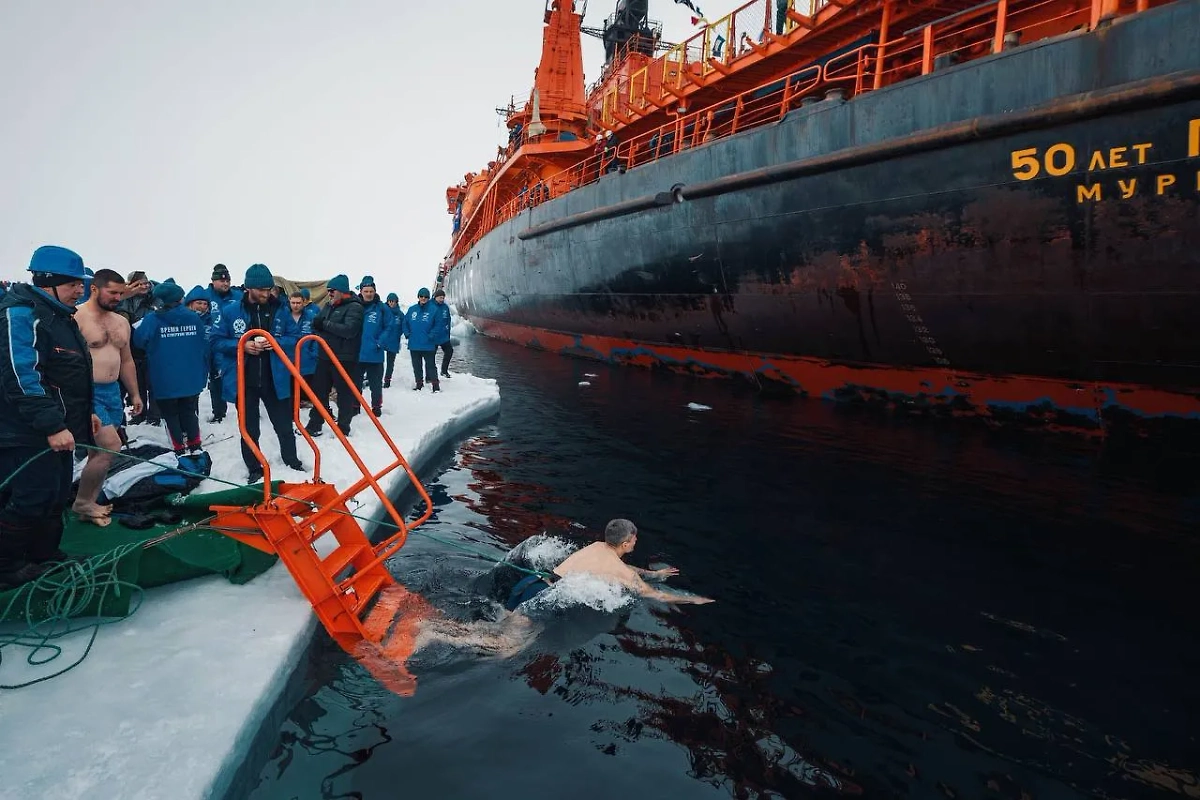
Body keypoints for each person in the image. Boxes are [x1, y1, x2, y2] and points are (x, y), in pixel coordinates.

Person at [0, 245, 98, 587]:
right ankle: (7, 566)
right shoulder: (22, 314)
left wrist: (86, 416)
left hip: (58, 429)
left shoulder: (60, 316)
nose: (80, 290)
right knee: (31, 498)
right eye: (73, 283)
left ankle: (44, 555)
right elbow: (21, 375)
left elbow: (69, 375)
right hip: (25, 431)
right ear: (48, 282)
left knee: (56, 495)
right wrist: (52, 424)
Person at [211, 264, 304, 482]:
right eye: (261, 289)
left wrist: (276, 343)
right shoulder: (231, 311)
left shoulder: (280, 310)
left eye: (268, 289)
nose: (266, 293)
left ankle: (292, 461)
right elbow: (215, 341)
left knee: (284, 424)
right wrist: (242, 346)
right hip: (245, 380)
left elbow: (295, 337)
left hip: (275, 379)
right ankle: (254, 468)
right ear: (248, 288)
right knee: (249, 428)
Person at [505, 519, 715, 610]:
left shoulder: (598, 546)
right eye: (634, 539)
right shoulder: (622, 572)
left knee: (501, 626)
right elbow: (658, 595)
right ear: (625, 543)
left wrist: (654, 575)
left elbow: (617, 568)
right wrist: (695, 600)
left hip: (533, 581)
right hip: (541, 595)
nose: (636, 541)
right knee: (506, 648)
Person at [73, 268, 142, 526]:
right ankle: (83, 502)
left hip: (113, 390)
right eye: (112, 292)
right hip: (87, 391)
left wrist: (134, 393)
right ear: (94, 288)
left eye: (120, 293)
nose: (117, 297)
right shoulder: (77, 317)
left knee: (100, 452)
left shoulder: (121, 322)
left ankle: (87, 500)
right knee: (109, 445)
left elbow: (126, 360)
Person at [132, 279, 209, 458]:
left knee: (170, 413)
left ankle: (178, 448)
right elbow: (203, 344)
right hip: (190, 374)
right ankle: (195, 444)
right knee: (189, 410)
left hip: (164, 375)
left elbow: (139, 341)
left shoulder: (152, 319)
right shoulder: (193, 317)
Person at [305, 274, 364, 437]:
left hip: (344, 358)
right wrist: (324, 327)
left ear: (342, 291)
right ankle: (315, 424)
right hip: (325, 356)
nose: (329, 293)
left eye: (332, 291)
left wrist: (325, 326)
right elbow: (316, 324)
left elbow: (349, 330)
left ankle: (343, 427)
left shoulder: (355, 307)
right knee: (318, 391)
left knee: (344, 394)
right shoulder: (329, 305)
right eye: (328, 290)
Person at [115, 270, 158, 425]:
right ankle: (139, 414)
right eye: (139, 284)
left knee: (153, 383)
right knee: (136, 384)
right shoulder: (125, 300)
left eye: (145, 282)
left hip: (153, 348)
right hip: (132, 348)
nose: (143, 286)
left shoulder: (155, 297)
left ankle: (154, 416)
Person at [204, 264, 243, 424]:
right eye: (221, 281)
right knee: (215, 379)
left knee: (241, 378)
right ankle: (219, 412)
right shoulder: (206, 296)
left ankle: (246, 409)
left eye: (227, 281)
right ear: (213, 281)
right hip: (213, 344)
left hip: (233, 343)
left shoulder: (238, 296)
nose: (225, 284)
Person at [355, 276, 389, 416]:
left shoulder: (381, 308)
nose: (369, 294)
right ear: (361, 291)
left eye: (371, 291)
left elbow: (389, 326)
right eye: (366, 291)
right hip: (357, 353)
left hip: (375, 352)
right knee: (355, 383)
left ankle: (376, 407)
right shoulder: (354, 306)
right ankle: (354, 406)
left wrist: (380, 341)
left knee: (375, 384)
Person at [402, 288, 439, 392]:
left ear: (428, 298)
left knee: (431, 366)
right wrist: (407, 333)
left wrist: (431, 335)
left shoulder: (433, 309)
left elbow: (438, 325)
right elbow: (405, 322)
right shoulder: (412, 309)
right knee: (417, 366)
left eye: (426, 297)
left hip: (428, 344)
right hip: (414, 344)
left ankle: (435, 385)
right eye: (421, 296)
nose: (423, 298)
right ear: (418, 297)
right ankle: (419, 384)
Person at [273, 291, 316, 379]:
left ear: (304, 303)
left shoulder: (311, 316)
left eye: (298, 303)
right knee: (291, 390)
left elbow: (317, 337)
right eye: (293, 303)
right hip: (287, 361)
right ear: (289, 302)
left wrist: (313, 354)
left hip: (307, 362)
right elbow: (276, 337)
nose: (295, 305)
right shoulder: (281, 316)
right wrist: (293, 341)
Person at [432, 289, 453, 379]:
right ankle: (430, 374)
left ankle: (444, 371)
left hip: (443, 336)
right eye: (440, 297)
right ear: (436, 297)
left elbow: (448, 320)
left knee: (449, 351)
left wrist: (448, 333)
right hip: (433, 336)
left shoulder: (445, 307)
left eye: (443, 298)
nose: (442, 299)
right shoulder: (429, 306)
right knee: (431, 356)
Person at [383, 292, 401, 387]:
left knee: (390, 363)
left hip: (393, 341)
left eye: (394, 302)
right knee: (377, 362)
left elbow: (404, 326)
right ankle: (372, 378)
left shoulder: (400, 314)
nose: (392, 303)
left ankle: (387, 380)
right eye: (390, 301)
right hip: (383, 340)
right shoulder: (383, 312)